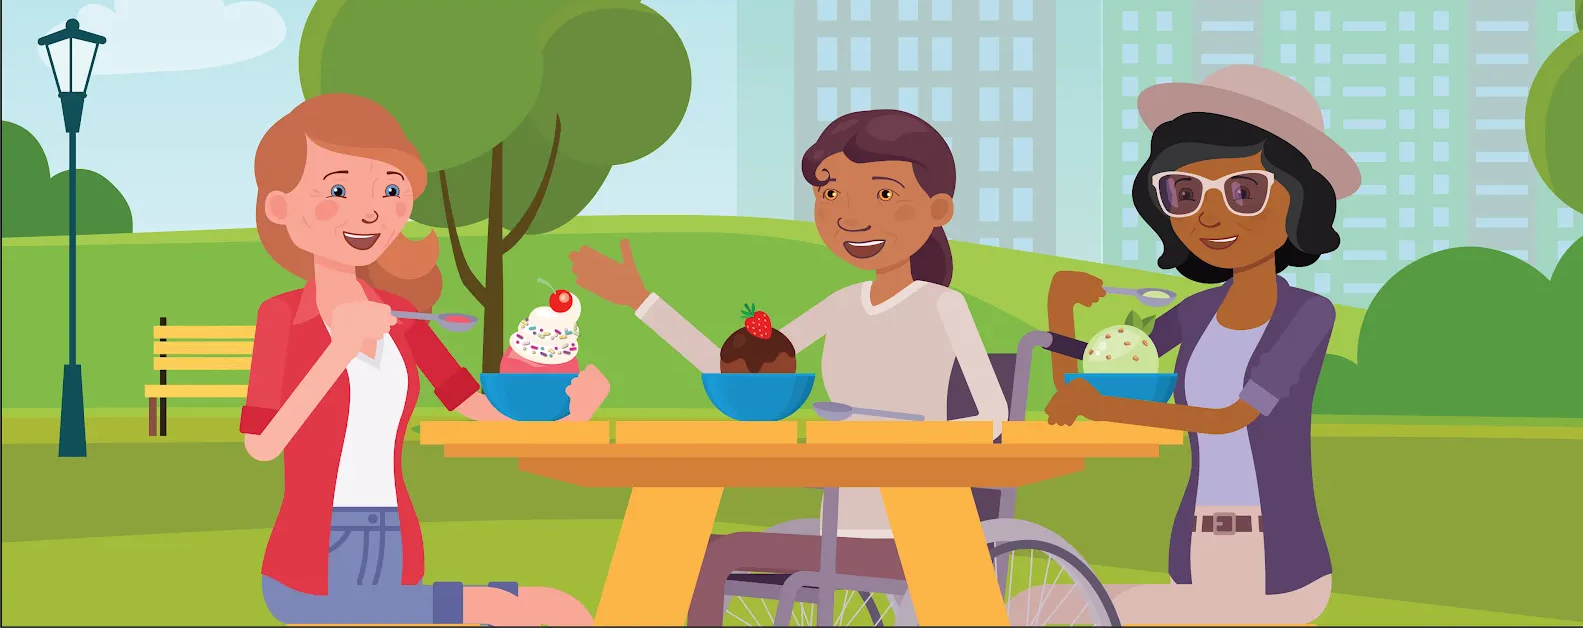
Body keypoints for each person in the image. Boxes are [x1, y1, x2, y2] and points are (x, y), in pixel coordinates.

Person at [570, 109, 1009, 626]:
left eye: (884, 195)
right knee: (675, 540)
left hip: (912, 527)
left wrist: (908, 444)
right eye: (831, 195)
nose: (851, 217)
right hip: (837, 524)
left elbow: (993, 417)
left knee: (709, 554)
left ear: (937, 209)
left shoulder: (940, 307)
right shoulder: (842, 304)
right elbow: (740, 370)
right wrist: (642, 302)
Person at [243, 93, 602, 626]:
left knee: (541, 608)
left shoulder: (403, 317)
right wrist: (338, 350)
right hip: (310, 565)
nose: (370, 212)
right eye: (338, 190)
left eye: (390, 190)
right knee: (529, 609)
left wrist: (567, 417)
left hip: (390, 536)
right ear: (280, 207)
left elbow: (469, 402)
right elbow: (262, 444)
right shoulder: (280, 318)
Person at [1017, 65, 1357, 626]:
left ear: (1297, 202)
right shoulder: (1196, 313)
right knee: (1032, 605)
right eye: (1186, 192)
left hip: (1278, 568)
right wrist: (1061, 310)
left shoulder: (1306, 315)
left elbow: (1232, 418)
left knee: (1076, 613)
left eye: (1243, 192)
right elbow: (1098, 378)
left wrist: (1098, 405)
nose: (1211, 214)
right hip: (1200, 548)